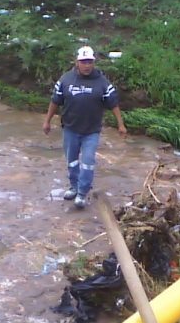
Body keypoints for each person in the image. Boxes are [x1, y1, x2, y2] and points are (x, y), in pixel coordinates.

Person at [43, 46, 127, 209]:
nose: (87, 65)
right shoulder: (65, 80)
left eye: (89, 62)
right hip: (70, 128)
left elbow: (113, 104)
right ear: (77, 62)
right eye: (83, 62)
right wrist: (47, 121)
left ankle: (82, 193)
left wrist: (121, 124)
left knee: (88, 162)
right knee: (72, 162)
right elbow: (55, 101)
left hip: (91, 131)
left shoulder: (102, 82)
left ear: (93, 63)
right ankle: (74, 187)